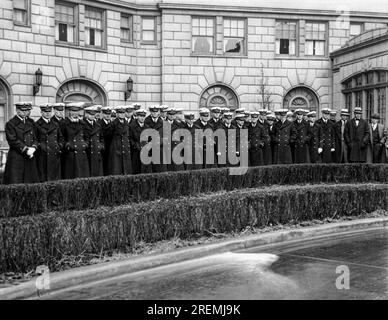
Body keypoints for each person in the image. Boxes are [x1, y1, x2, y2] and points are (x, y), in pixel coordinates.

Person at [3, 102, 40, 184]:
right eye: (22, 110)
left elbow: (37, 138)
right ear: (17, 110)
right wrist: (26, 149)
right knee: (16, 184)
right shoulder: (11, 124)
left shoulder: (31, 122)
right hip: (17, 158)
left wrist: (34, 147)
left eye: (27, 110)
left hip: (30, 157)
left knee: (31, 184)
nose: (25, 112)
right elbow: (12, 140)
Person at [61, 102, 90, 179]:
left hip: (82, 153)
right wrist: (67, 145)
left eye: (76, 111)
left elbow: (87, 137)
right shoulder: (64, 123)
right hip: (70, 154)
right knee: (71, 175)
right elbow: (61, 137)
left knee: (82, 176)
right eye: (73, 111)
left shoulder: (83, 123)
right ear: (69, 112)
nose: (75, 113)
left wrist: (85, 144)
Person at [35, 103, 64, 182]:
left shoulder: (55, 124)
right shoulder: (37, 124)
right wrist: (41, 146)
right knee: (44, 179)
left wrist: (59, 146)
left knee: (55, 179)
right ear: (41, 112)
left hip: (55, 155)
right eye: (45, 112)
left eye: (49, 112)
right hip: (43, 156)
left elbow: (61, 138)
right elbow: (34, 140)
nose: (47, 113)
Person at [108, 105, 132, 175]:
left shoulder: (126, 123)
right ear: (117, 114)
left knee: (126, 169)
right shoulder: (113, 123)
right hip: (116, 148)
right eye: (120, 113)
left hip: (125, 148)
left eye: (123, 113)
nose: (122, 115)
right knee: (116, 169)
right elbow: (109, 136)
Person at [82, 105, 104, 177]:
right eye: (90, 114)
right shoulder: (82, 124)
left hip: (97, 152)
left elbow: (101, 137)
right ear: (86, 114)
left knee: (98, 174)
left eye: (93, 114)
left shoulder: (97, 125)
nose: (92, 116)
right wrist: (85, 145)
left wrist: (101, 145)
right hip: (87, 152)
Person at [145, 105, 166, 172]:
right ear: (150, 112)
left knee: (160, 172)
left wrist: (158, 142)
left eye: (156, 112)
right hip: (148, 151)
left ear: (159, 112)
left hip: (160, 151)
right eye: (153, 112)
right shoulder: (146, 122)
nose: (154, 113)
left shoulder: (163, 123)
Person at [129, 108, 151, 174]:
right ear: (137, 116)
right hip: (136, 153)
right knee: (137, 171)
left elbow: (150, 139)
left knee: (146, 171)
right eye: (140, 116)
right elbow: (130, 138)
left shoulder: (147, 127)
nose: (142, 118)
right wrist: (136, 145)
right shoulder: (132, 126)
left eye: (143, 116)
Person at [99, 106, 113, 175]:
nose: (108, 116)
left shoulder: (112, 124)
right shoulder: (99, 124)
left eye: (109, 114)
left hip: (111, 148)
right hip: (103, 149)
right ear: (102, 114)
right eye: (106, 114)